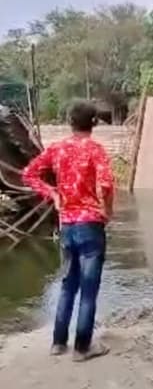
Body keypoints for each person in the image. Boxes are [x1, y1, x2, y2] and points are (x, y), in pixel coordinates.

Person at [23, 101, 114, 362]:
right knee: (88, 289)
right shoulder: (95, 150)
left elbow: (28, 174)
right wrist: (107, 211)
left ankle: (58, 343)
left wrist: (52, 193)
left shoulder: (57, 149)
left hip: (67, 225)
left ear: (70, 122)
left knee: (68, 285)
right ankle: (83, 348)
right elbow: (106, 185)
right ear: (94, 123)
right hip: (90, 224)